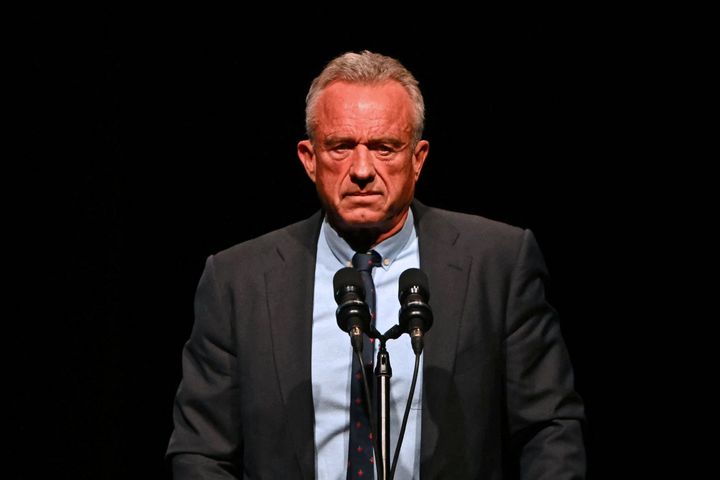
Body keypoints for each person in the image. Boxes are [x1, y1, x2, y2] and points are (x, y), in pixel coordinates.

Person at [166, 50, 586, 479]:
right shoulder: (238, 281)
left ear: (417, 159)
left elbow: (549, 430)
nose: (362, 169)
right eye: (341, 147)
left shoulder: (498, 263)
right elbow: (202, 452)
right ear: (309, 159)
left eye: (384, 148)